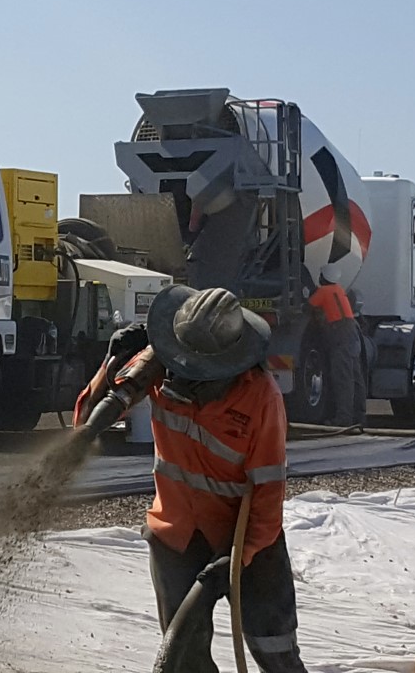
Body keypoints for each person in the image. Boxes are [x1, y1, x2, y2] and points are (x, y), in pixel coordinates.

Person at [75, 286, 307, 672]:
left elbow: (268, 496)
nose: (184, 379)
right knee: (184, 657)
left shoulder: (259, 398)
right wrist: (110, 364)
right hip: (177, 533)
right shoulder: (158, 365)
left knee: (276, 650)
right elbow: (85, 422)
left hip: (247, 535)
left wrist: (238, 557)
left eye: (198, 374)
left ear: (229, 365)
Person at [308, 264, 363, 426]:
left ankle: (344, 419)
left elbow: (308, 306)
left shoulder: (323, 292)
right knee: (355, 377)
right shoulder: (339, 290)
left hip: (339, 335)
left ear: (323, 278)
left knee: (342, 378)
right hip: (352, 331)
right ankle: (360, 417)